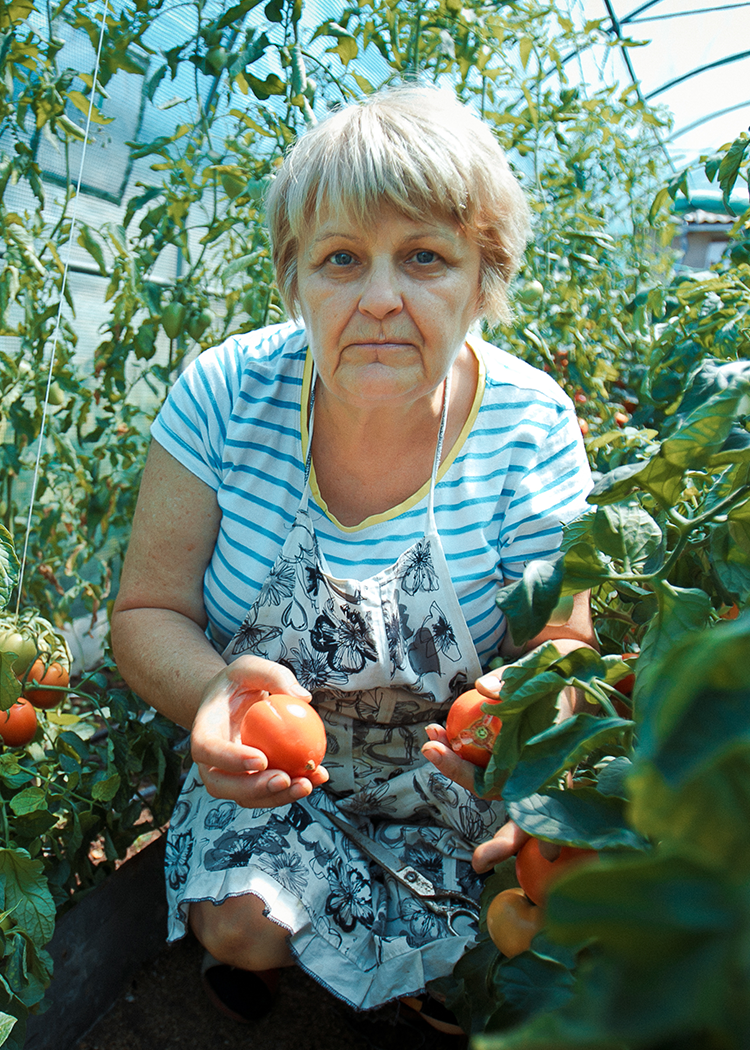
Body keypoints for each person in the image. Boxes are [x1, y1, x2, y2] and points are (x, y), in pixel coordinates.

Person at [110, 84, 596, 1034]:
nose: (379, 298)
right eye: (341, 259)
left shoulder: (529, 427)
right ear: (295, 277)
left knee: (523, 925)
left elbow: (566, 645)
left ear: (483, 277)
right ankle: (306, 952)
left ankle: (414, 971)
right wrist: (219, 701)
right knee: (242, 927)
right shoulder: (224, 396)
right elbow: (147, 612)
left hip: (449, 768)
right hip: (275, 765)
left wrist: (516, 722)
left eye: (424, 257)